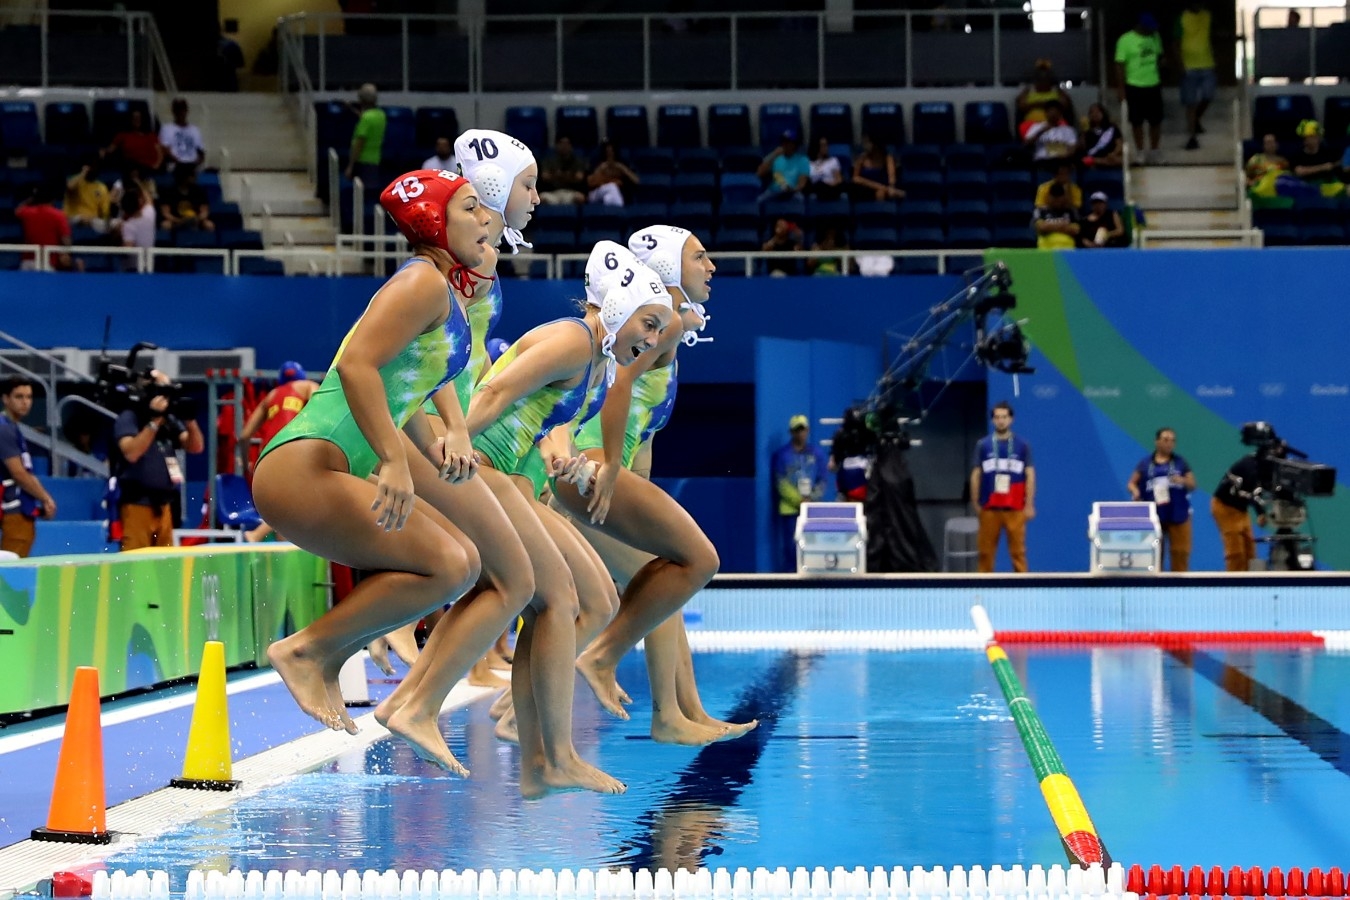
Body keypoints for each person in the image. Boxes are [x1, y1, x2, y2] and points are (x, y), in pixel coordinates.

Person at [252, 168, 500, 747]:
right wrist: (391, 459)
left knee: (460, 563)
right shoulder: (422, 283)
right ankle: (306, 650)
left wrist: (429, 443)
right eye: (469, 208)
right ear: (435, 221)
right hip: (305, 464)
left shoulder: (437, 288)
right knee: (447, 563)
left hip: (322, 465)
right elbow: (357, 365)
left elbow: (400, 384)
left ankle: (328, 655)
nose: (485, 217)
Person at [553, 225, 753, 745]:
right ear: (668, 267)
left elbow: (642, 435)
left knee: (667, 581)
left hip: (596, 469)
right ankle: (648, 697)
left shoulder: (670, 325)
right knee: (668, 573)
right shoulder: (659, 323)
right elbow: (617, 389)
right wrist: (613, 471)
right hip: (586, 470)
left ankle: (686, 709)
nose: (711, 266)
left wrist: (635, 487)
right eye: (700, 256)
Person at [114, 371, 205, 551]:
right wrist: (154, 422)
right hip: (136, 505)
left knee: (164, 565)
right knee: (135, 564)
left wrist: (191, 421)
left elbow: (195, 447)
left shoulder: (169, 420)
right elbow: (131, 452)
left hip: (164, 505)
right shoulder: (130, 417)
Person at [968, 401, 1035, 573]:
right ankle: (983, 589)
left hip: (1016, 508)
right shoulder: (983, 445)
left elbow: (1030, 475)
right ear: (992, 420)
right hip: (990, 507)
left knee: (1018, 553)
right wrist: (975, 502)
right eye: (997, 417)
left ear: (1011, 419)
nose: (1001, 421)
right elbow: (976, 474)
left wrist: (1029, 504)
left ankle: (1024, 590)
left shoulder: (1022, 445)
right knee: (985, 553)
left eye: (1004, 417)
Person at [0, 377, 57, 558]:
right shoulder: (4, 429)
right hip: (12, 509)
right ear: (5, 399)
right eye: (19, 397)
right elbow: (18, 472)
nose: (25, 402)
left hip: (14, 507)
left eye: (29, 397)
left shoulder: (12, 427)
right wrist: (45, 498)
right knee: (11, 568)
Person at [1127, 427, 1196, 571]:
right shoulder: (1145, 463)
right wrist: (1136, 492)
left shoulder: (1180, 462)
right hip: (1155, 515)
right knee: (1155, 554)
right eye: (1165, 440)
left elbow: (1193, 485)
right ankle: (1155, 586)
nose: (1169, 443)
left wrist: (1182, 480)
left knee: (1180, 553)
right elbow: (1132, 483)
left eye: (1172, 441)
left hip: (1178, 513)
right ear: (1156, 441)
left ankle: (1180, 586)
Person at [771, 415, 830, 572]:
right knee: (791, 549)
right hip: (790, 510)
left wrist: (811, 499)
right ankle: (790, 583)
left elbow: (823, 479)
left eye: (802, 429)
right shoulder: (782, 455)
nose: (800, 433)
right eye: (797, 430)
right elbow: (781, 482)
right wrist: (799, 501)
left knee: (812, 547)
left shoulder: (817, 454)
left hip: (812, 510)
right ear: (791, 432)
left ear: (808, 430)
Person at [239, 361, 321, 468]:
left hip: (267, 453)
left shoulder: (271, 395)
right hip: (293, 447)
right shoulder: (308, 386)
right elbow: (318, 410)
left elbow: (244, 436)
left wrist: (246, 466)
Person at [1115, 13, 1164, 162]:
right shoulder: (1125, 40)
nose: (1151, 31)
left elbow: (1159, 56)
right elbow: (1119, 65)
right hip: (1134, 85)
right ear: (1140, 26)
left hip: (1153, 83)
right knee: (1137, 121)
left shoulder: (1155, 37)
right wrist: (1121, 88)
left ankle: (1154, 151)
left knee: (1156, 121)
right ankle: (1140, 151)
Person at [1211, 451, 1265, 572]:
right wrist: (1260, 511)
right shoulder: (1249, 467)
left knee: (1250, 551)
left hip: (1241, 509)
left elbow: (1256, 493)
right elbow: (1252, 493)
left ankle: (1251, 586)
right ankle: (1234, 586)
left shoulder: (1263, 470)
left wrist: (1261, 512)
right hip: (1225, 507)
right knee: (1236, 553)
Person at [1175, 2, 1215, 151]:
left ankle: (1196, 119)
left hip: (1207, 64)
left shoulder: (1207, 16)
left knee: (1208, 96)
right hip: (1189, 66)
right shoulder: (1181, 18)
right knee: (1190, 103)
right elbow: (1176, 43)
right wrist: (1180, 65)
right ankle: (1192, 136)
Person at [15, 183, 82, 272]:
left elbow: (18, 210)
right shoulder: (58, 215)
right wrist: (66, 254)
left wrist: (33, 198)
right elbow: (66, 240)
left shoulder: (27, 212)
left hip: (27, 263)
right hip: (48, 263)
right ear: (53, 199)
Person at [1015, 59, 1075, 131]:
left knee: (1064, 127)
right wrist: (1044, 104)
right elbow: (1022, 106)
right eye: (1040, 80)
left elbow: (1064, 105)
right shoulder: (1028, 91)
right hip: (1033, 125)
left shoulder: (1057, 90)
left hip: (1055, 124)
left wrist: (1042, 105)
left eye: (1045, 79)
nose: (1043, 82)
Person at [345, 83, 386, 185]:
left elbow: (359, 144)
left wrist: (350, 166)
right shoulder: (381, 115)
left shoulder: (365, 119)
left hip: (362, 162)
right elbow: (367, 118)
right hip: (375, 160)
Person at [756, 129, 810, 202]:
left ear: (794, 144)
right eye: (784, 142)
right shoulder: (776, 157)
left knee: (801, 200)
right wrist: (774, 155)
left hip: (792, 191)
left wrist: (792, 190)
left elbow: (801, 184)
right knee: (759, 200)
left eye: (789, 142)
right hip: (774, 191)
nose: (786, 145)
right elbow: (759, 173)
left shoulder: (803, 160)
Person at [103, 109, 164, 174]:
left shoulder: (151, 136)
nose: (137, 120)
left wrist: (157, 165)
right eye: (134, 118)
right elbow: (110, 149)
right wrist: (103, 151)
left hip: (151, 167)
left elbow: (160, 153)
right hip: (133, 166)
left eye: (139, 118)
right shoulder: (122, 135)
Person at [159, 165, 214, 233]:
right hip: (175, 221)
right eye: (192, 176)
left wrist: (196, 219)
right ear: (184, 177)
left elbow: (205, 211)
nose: (195, 177)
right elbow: (165, 213)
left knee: (209, 225)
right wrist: (180, 221)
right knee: (165, 225)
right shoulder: (168, 191)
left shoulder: (199, 191)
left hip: (196, 220)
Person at [850, 133, 904, 202]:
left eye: (867, 143)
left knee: (880, 193)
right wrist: (881, 187)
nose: (865, 146)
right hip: (865, 188)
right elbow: (855, 178)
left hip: (883, 187)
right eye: (864, 143)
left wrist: (891, 188)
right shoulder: (862, 158)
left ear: (875, 144)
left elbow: (891, 178)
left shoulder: (887, 158)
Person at [537, 136, 588, 205]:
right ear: (556, 145)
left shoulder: (577, 161)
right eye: (561, 143)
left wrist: (558, 175)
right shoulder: (549, 160)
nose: (564, 146)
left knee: (580, 198)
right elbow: (545, 176)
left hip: (570, 192)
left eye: (567, 144)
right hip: (552, 192)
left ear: (571, 146)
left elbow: (579, 177)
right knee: (541, 198)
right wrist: (567, 176)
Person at [64, 159, 112, 231]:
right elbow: (70, 187)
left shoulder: (102, 187)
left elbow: (105, 211)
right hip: (73, 218)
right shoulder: (76, 180)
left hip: (94, 220)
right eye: (92, 167)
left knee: (119, 225)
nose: (94, 170)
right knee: (86, 219)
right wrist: (83, 173)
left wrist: (107, 222)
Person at [586, 140, 639, 207]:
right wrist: (600, 169)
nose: (609, 153)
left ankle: (611, 214)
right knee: (612, 187)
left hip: (616, 193)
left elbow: (636, 181)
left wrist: (622, 168)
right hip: (596, 192)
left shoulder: (622, 163)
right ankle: (619, 211)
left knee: (608, 198)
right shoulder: (597, 162)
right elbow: (589, 182)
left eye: (611, 151)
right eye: (607, 151)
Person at [159, 98, 206, 171]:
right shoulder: (167, 129)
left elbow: (201, 153)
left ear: (187, 111)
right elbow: (165, 150)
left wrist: (196, 162)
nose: (181, 112)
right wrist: (180, 161)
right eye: (178, 110)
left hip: (192, 165)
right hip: (175, 165)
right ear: (174, 112)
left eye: (183, 110)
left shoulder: (195, 130)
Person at [1290, 120, 1341, 187]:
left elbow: (1338, 165)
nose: (1312, 140)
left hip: (1326, 185)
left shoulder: (1328, 152)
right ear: (1304, 139)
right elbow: (1299, 171)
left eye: (1314, 137)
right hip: (1306, 186)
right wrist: (1322, 167)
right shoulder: (1297, 154)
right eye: (1309, 137)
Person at [1033, 183, 1079, 250]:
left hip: (1067, 251)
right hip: (1046, 250)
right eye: (1054, 198)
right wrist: (1064, 226)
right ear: (1049, 197)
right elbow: (1041, 228)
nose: (1056, 201)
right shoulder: (1040, 211)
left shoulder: (1071, 211)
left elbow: (1075, 230)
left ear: (1063, 197)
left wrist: (1050, 226)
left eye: (1059, 198)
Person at [1080, 102, 1124, 169]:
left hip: (1111, 157)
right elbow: (1083, 148)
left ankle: (1102, 162)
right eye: (1092, 112)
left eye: (1097, 111)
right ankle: (1102, 162)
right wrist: (1084, 132)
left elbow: (1119, 144)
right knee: (1086, 160)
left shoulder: (1112, 127)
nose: (1095, 114)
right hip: (1093, 158)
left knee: (1120, 160)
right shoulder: (1087, 131)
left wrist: (1113, 153)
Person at [806, 136, 844, 201]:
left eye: (826, 145)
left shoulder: (833, 161)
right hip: (816, 189)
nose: (826, 148)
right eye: (823, 145)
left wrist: (830, 184)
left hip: (831, 187)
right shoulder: (808, 164)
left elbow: (839, 179)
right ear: (816, 146)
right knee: (819, 185)